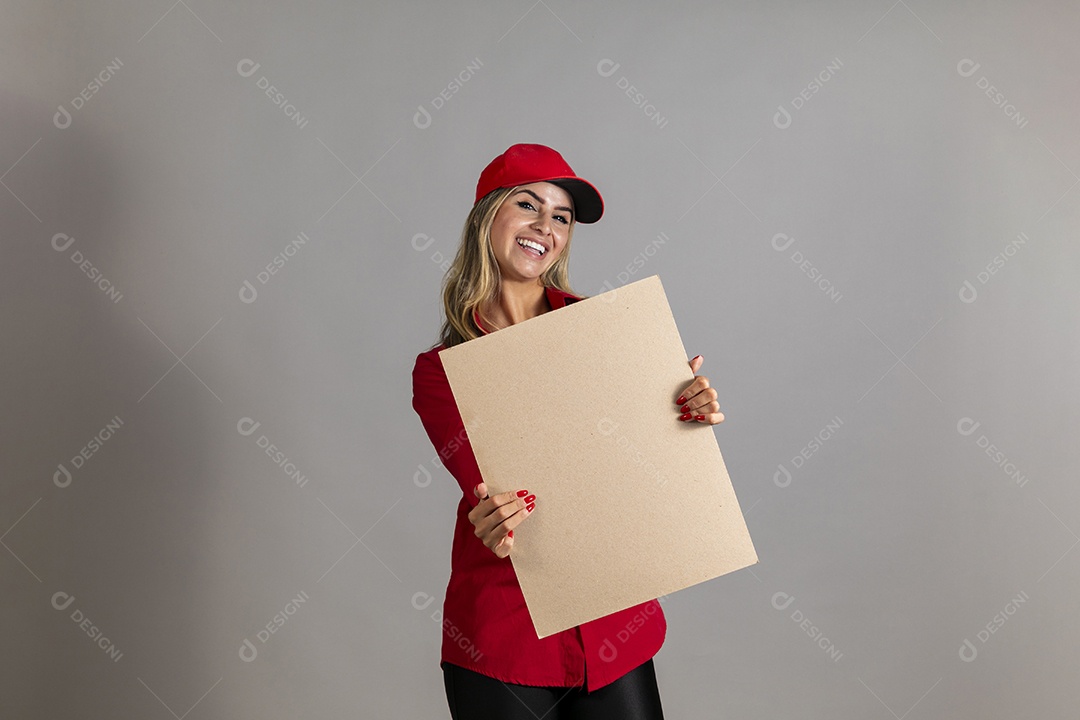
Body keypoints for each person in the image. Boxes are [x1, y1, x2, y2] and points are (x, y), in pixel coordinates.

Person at [411, 143, 724, 720]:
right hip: (506, 631)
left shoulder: (609, 334)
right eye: (527, 204)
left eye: (561, 217)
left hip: (614, 621)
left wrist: (683, 412)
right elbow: (487, 490)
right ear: (487, 216)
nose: (544, 226)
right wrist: (494, 517)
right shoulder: (442, 370)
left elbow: (635, 463)